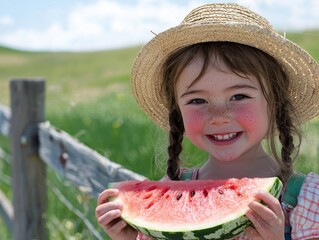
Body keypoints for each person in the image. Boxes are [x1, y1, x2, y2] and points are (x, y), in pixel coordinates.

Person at [95, 3, 319, 240]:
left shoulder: (306, 200)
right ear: (177, 112)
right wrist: (129, 237)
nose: (219, 116)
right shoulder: (173, 190)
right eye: (198, 100)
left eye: (239, 96)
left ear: (275, 104)